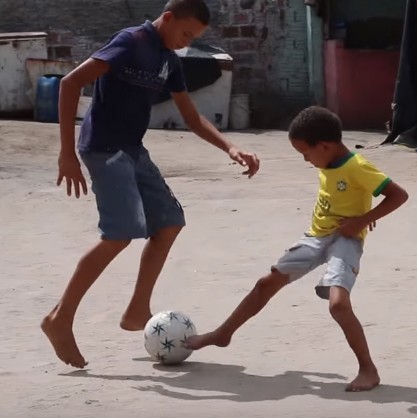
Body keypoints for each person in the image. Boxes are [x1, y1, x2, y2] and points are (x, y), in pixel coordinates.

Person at [41, 0, 260, 369]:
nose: (186, 42)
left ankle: (136, 309)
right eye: (186, 33)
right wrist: (66, 153)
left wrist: (231, 146)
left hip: (132, 149)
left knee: (170, 222)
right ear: (169, 18)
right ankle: (59, 318)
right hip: (103, 149)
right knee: (119, 235)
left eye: (195, 39)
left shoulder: (168, 59)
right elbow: (70, 82)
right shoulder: (130, 41)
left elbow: (190, 115)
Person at [187, 106, 408, 392]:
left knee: (338, 305)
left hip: (345, 239)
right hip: (316, 236)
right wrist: (365, 214)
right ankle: (222, 333)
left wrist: (364, 220)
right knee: (266, 283)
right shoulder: (327, 161)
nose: (306, 160)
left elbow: (398, 195)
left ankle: (368, 369)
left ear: (325, 146)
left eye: (306, 153)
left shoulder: (357, 167)